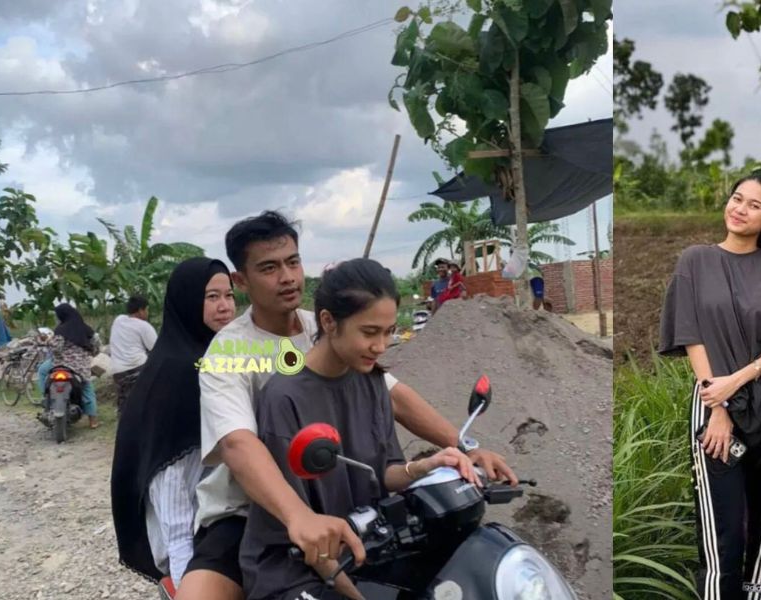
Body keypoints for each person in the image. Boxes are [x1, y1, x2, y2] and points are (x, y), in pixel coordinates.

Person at [180, 211, 516, 600]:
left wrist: (465, 448)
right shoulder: (230, 352)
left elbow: (392, 394)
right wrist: (297, 515)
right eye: (269, 268)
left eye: (293, 262)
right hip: (250, 508)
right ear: (241, 281)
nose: (287, 277)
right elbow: (239, 444)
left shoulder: (326, 327)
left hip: (340, 497)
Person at [241, 258, 483, 599]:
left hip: (368, 551)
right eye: (369, 332)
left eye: (388, 332)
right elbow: (308, 535)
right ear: (328, 321)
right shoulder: (284, 398)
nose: (381, 346)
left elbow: (383, 473)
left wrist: (426, 467)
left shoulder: (372, 382)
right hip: (298, 568)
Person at [660, 173, 761, 600]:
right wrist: (720, 405)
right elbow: (691, 335)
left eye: (753, 205)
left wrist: (741, 377)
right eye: (736, 199)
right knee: (720, 525)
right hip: (713, 405)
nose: (739, 209)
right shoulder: (695, 260)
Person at [112, 258, 236, 587]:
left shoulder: (215, 355)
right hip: (190, 537)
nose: (225, 306)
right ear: (188, 300)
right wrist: (185, 571)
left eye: (229, 295)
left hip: (218, 520)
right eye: (212, 297)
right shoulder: (178, 371)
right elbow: (170, 488)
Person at [49, 303, 100, 429]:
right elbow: (96, 346)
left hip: (61, 365)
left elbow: (56, 348)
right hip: (81, 369)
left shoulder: (60, 329)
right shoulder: (86, 329)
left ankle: (46, 401)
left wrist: (50, 343)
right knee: (87, 389)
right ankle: (93, 421)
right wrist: (90, 353)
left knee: (42, 372)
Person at [109, 294, 159, 410]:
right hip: (138, 367)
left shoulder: (118, 320)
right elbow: (156, 349)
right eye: (147, 309)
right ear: (141, 310)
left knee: (124, 401)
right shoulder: (144, 326)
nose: (147, 313)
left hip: (118, 371)